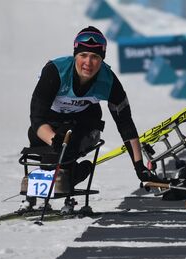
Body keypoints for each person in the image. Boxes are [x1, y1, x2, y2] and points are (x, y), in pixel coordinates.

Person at [26, 26, 161, 193]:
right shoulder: (55, 71)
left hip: (84, 125)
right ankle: (61, 176)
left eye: (95, 57)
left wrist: (139, 166)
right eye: (83, 55)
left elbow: (126, 124)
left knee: (70, 147)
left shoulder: (109, 81)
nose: (88, 63)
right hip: (51, 125)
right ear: (75, 55)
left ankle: (68, 176)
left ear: (102, 59)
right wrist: (56, 142)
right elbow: (37, 118)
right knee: (40, 142)